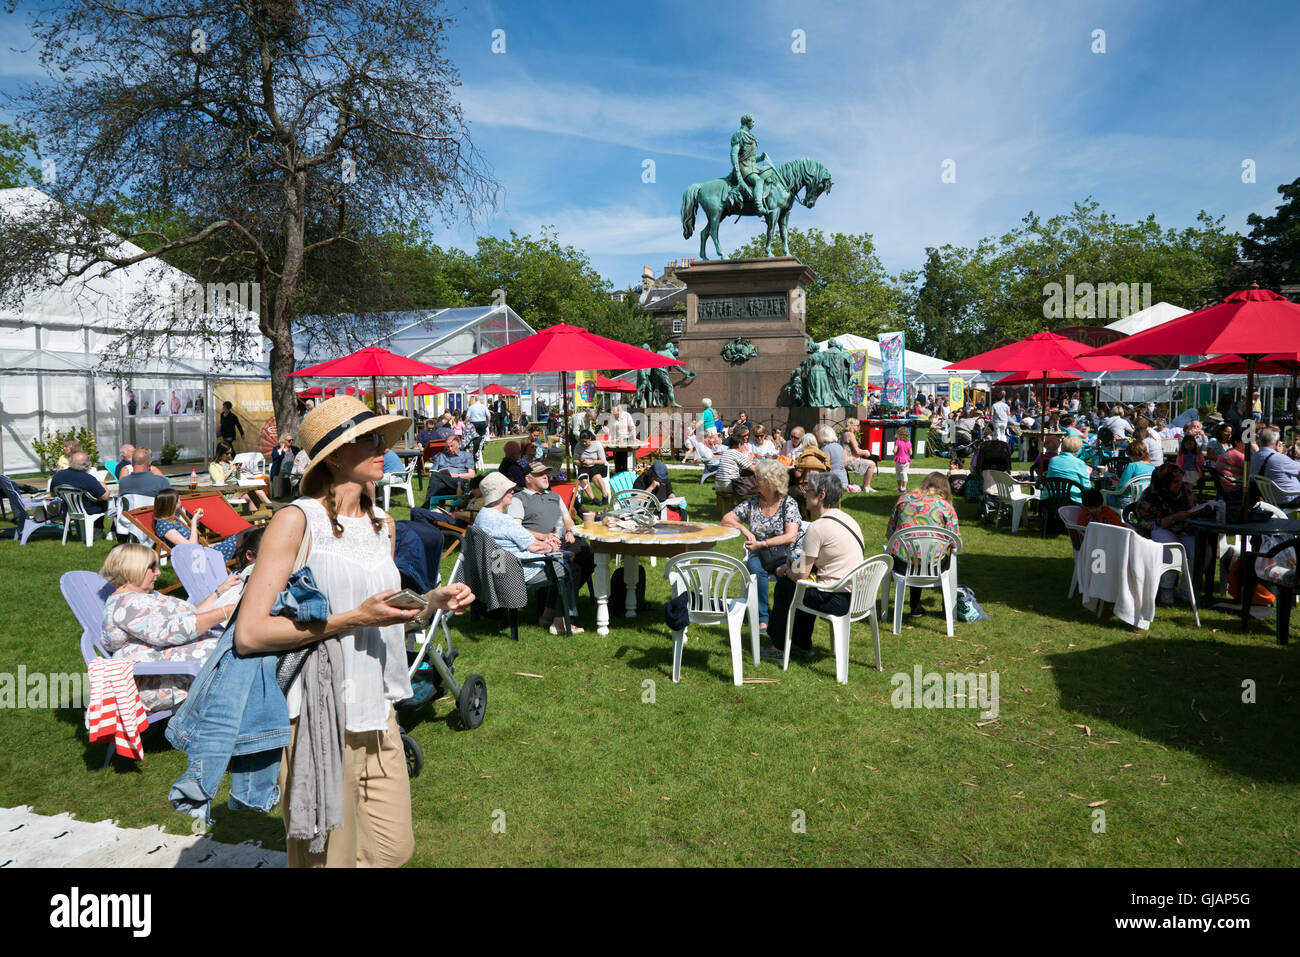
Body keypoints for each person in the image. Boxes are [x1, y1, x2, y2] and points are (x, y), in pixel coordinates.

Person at [234, 394, 473, 868]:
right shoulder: (295, 521)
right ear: (336, 453)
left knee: (391, 850)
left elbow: (380, 610)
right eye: (371, 440)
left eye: (383, 438)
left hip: (377, 709)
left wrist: (429, 604)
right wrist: (353, 619)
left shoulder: (382, 524)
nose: (385, 447)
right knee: (327, 859)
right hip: (315, 712)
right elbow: (251, 633)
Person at [99, 542, 239, 712]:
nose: (158, 572)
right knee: (237, 654)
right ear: (132, 569)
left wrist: (219, 593)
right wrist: (225, 612)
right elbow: (169, 632)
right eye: (152, 568)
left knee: (239, 649)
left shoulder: (145, 596)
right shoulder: (125, 606)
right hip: (160, 680)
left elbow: (190, 617)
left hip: (174, 667)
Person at [763, 472, 864, 661]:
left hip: (836, 598)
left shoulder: (817, 528)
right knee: (804, 586)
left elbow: (801, 576)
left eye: (808, 490)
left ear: (821, 495)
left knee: (787, 585)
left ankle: (778, 646)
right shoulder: (849, 520)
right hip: (858, 596)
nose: (804, 494)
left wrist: (784, 571)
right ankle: (801, 644)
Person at [475, 471, 580, 635]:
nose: (512, 491)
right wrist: (552, 547)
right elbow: (535, 548)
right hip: (517, 571)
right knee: (569, 568)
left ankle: (547, 616)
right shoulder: (504, 521)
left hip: (496, 569)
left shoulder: (482, 516)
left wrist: (546, 545)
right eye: (508, 490)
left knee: (558, 564)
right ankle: (560, 623)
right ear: (498, 495)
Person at [721, 459, 801, 634]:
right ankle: (763, 618)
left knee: (785, 574)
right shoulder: (754, 502)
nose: (755, 481)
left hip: (784, 553)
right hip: (759, 553)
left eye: (758, 478)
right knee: (756, 570)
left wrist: (763, 543)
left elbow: (791, 536)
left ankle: (783, 620)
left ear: (771, 482)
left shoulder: (788, 504)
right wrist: (745, 530)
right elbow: (726, 518)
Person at [508, 462, 595, 600]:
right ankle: (555, 600)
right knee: (566, 563)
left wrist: (570, 531)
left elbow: (568, 520)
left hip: (562, 540)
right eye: (540, 474)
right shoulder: (518, 499)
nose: (545, 477)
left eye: (546, 473)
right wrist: (543, 537)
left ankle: (560, 597)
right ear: (528, 478)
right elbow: (516, 529)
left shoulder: (555, 496)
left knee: (588, 555)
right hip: (537, 544)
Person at [885, 471, 960, 618]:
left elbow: (890, 534)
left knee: (914, 553)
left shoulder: (903, 500)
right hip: (934, 567)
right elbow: (955, 543)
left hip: (902, 564)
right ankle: (947, 608)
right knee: (944, 554)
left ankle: (915, 605)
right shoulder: (946, 508)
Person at [1134, 464, 1210, 604]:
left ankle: (1186, 590)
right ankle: (1166, 590)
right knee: (1171, 549)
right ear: (1164, 482)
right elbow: (1146, 523)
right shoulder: (1151, 496)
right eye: (1175, 481)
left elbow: (1193, 508)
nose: (1179, 484)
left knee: (1203, 551)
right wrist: (1173, 518)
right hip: (1159, 529)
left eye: (1180, 480)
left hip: (1184, 529)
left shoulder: (1185, 492)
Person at [152, 488, 243, 561]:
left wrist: (212, 545)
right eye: (178, 500)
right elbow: (192, 547)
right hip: (200, 557)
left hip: (205, 550)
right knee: (247, 538)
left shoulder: (172, 520)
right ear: (171, 504)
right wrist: (194, 521)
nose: (181, 501)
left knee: (246, 535)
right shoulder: (163, 525)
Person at [209, 441, 272, 510]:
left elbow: (238, 478)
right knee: (254, 489)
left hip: (237, 489)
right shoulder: (214, 465)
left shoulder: (229, 462)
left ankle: (255, 519)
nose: (229, 455)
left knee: (254, 496)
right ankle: (272, 506)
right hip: (227, 493)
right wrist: (230, 470)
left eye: (230, 453)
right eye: (227, 453)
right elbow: (219, 480)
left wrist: (238, 470)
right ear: (220, 452)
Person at [1251, 427, 1300, 507]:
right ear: (1277, 443)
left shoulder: (1255, 457)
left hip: (1270, 497)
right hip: (1289, 498)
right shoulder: (1278, 458)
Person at [1043, 434, 1093, 503]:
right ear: (1078, 448)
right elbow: (1086, 486)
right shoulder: (1079, 463)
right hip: (1072, 500)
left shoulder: (1053, 460)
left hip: (1050, 499)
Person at [840, 419, 878, 491]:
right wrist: (866, 452)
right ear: (852, 426)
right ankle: (867, 486)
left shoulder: (844, 434)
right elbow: (857, 451)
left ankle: (865, 486)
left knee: (868, 462)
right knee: (872, 464)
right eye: (857, 425)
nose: (858, 427)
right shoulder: (850, 435)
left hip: (844, 460)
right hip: (849, 461)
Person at [575, 430, 611, 501]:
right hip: (584, 466)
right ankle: (594, 499)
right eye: (582, 441)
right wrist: (581, 463)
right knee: (583, 479)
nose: (584, 443)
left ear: (590, 438)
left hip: (597, 465)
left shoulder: (597, 445)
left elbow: (603, 461)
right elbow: (574, 460)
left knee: (596, 476)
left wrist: (591, 462)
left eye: (585, 441)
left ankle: (605, 495)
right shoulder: (578, 445)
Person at [892, 427, 912, 493]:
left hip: (899, 461)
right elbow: (910, 453)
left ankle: (899, 487)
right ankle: (904, 488)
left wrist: (893, 450)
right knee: (904, 474)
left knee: (898, 473)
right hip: (906, 461)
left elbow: (895, 451)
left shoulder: (898, 442)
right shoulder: (909, 443)